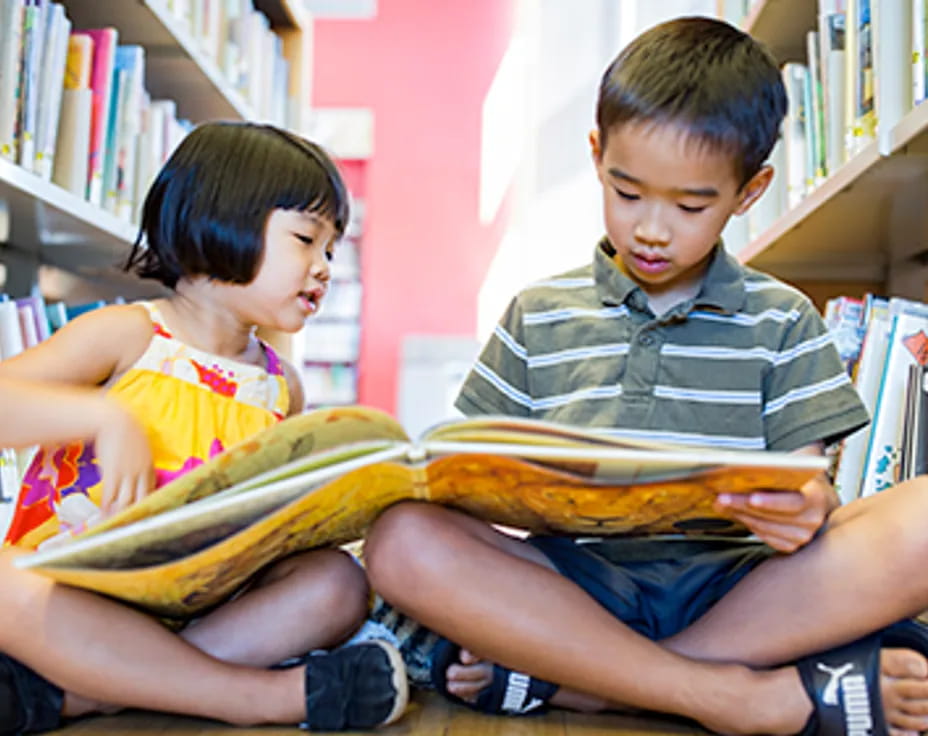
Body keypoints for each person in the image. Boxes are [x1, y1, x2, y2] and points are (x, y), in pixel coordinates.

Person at [363, 17, 928, 736]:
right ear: (597, 156)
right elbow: (469, 484)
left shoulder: (783, 318)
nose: (653, 230)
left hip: (739, 594)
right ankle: (723, 693)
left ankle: (600, 682)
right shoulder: (538, 314)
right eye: (628, 194)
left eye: (691, 206)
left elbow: (804, 493)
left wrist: (802, 510)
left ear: (748, 192)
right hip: (576, 586)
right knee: (401, 538)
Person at [0, 122, 407, 734]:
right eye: (306, 239)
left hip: (198, 610)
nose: (324, 267)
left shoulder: (282, 386)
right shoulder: (129, 335)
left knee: (336, 583)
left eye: (331, 248)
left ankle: (87, 693)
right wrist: (104, 415)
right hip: (63, 603)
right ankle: (256, 698)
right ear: (221, 220)